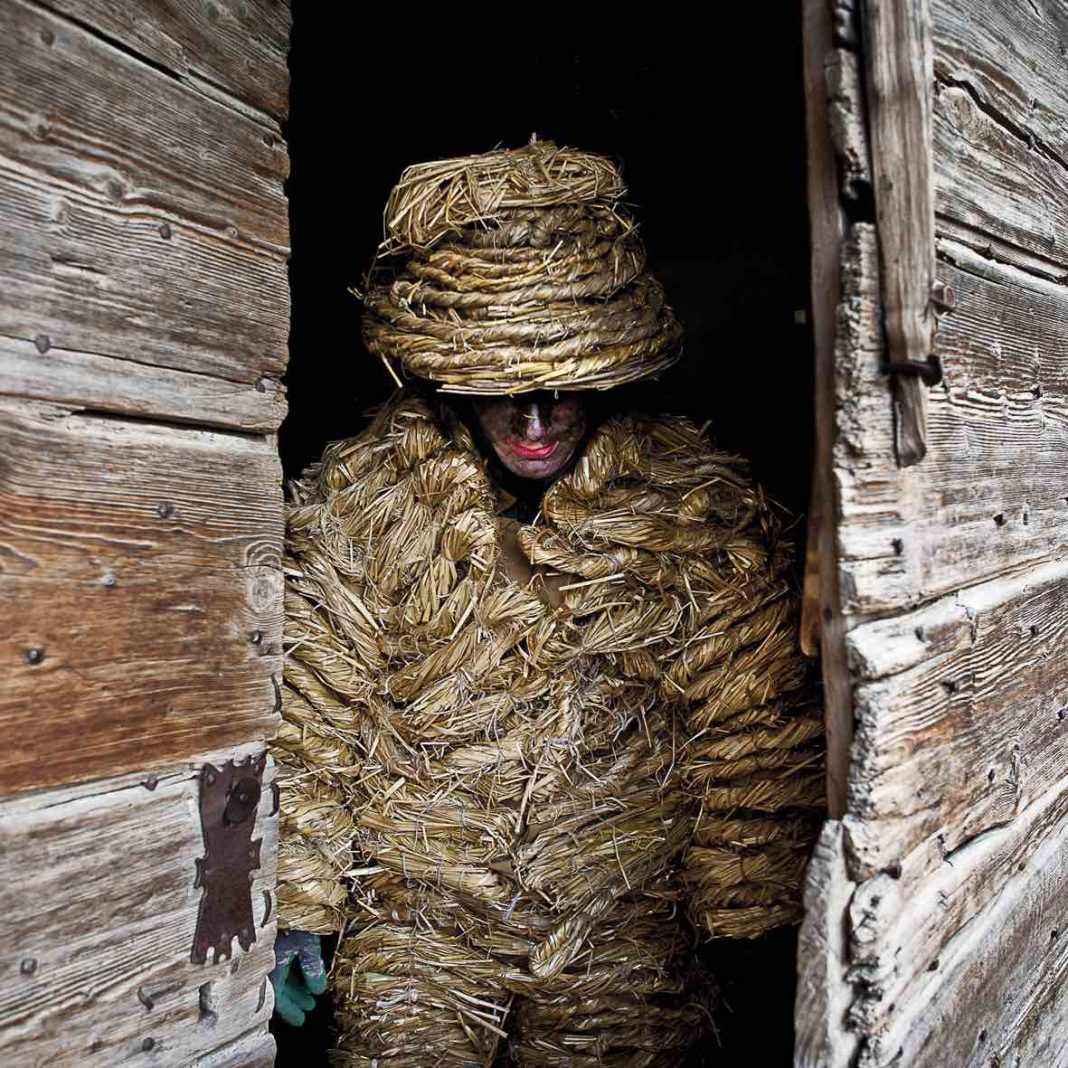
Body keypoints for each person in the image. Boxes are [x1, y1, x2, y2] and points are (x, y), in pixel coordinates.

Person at [271, 140, 824, 1065]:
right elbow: (315, 714)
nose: (537, 421)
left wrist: (757, 909)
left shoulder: (693, 513)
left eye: (566, 389)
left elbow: (750, 719)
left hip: (626, 927)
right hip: (419, 922)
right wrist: (299, 900)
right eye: (507, 390)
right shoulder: (364, 507)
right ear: (447, 375)